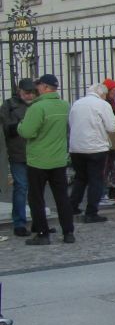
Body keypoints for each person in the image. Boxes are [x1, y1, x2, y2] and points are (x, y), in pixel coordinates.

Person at [17, 74, 75, 246]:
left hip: (38, 159)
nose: (37, 88)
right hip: (58, 158)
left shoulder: (37, 107)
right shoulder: (65, 105)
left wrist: (20, 125)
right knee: (62, 197)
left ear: (45, 87)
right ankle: (68, 232)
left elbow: (27, 132)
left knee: (36, 198)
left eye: (39, 85)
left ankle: (42, 234)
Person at [68, 83, 115, 223]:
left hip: (76, 147)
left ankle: (73, 206)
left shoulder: (76, 104)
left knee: (80, 178)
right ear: (102, 94)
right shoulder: (102, 104)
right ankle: (91, 212)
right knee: (95, 179)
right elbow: (111, 127)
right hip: (95, 147)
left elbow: (71, 123)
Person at [0, 78, 36, 236]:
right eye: (27, 93)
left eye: (32, 93)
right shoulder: (8, 105)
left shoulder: (38, 104)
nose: (30, 96)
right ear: (19, 91)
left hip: (37, 153)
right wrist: (22, 125)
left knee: (36, 190)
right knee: (21, 188)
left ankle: (38, 221)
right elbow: (5, 129)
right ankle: (19, 223)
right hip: (18, 153)